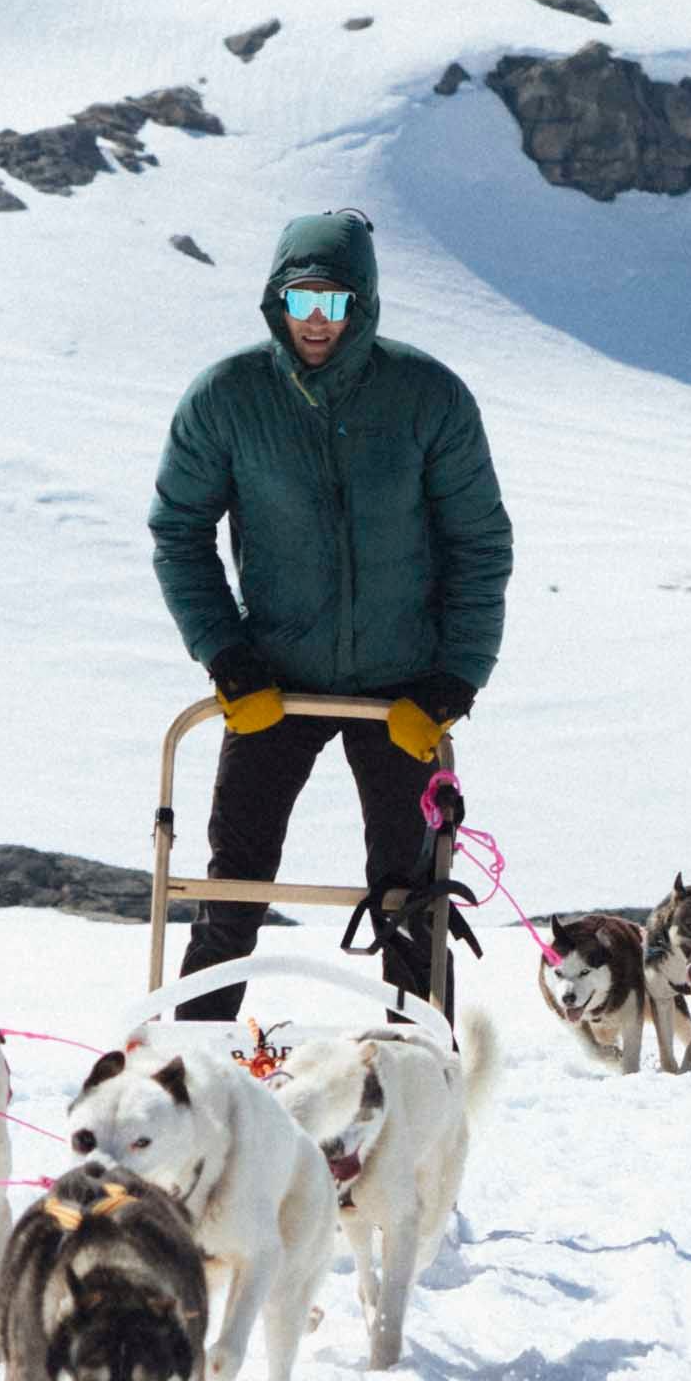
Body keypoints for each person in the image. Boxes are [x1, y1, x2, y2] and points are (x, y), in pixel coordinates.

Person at [149, 207, 513, 1020]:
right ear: (276, 301)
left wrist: (455, 679)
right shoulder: (228, 397)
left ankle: (416, 1074)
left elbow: (479, 542)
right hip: (272, 682)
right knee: (232, 887)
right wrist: (227, 656)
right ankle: (191, 1072)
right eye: (301, 300)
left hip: (402, 693)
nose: (317, 321)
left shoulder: (429, 398)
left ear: (366, 305)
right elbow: (178, 530)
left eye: (337, 303)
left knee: (412, 897)